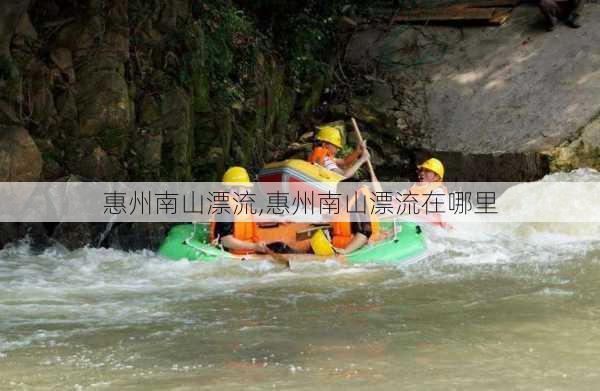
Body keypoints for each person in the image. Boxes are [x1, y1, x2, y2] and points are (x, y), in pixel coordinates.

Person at [310, 180, 380, 256]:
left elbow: (364, 233)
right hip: (342, 246)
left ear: (346, 194)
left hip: (358, 250)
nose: (337, 195)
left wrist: (345, 251)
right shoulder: (348, 205)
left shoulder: (357, 207)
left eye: (338, 192)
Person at [210, 166, 268, 255]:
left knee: (280, 246)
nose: (249, 191)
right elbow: (225, 241)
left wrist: (278, 218)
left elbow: (252, 217)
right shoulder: (225, 208)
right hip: (232, 254)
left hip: (247, 251)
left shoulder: (240, 204)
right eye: (245, 188)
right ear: (233, 189)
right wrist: (254, 247)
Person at [406, 158, 449, 229]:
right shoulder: (417, 187)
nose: (422, 173)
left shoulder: (438, 192)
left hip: (430, 227)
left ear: (436, 177)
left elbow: (440, 212)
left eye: (427, 171)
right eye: (421, 170)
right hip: (415, 220)